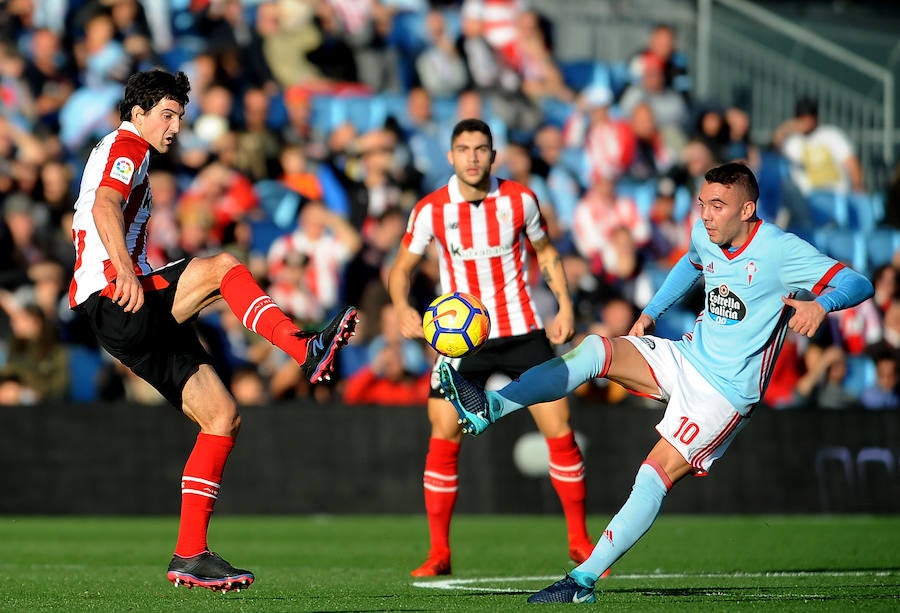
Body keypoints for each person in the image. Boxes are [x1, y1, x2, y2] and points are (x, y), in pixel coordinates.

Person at [437, 162, 874, 603]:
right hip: (687, 356)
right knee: (595, 350)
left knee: (652, 475)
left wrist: (822, 304)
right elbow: (690, 263)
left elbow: (859, 282)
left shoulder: (780, 250)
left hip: (723, 394)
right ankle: (491, 407)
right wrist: (650, 314)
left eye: (718, 205)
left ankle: (581, 582)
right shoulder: (708, 233)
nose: (705, 214)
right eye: (702, 203)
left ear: (748, 209)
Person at [68, 69, 359, 593]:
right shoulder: (128, 145)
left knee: (222, 417)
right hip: (117, 296)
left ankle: (190, 554)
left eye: (180, 115)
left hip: (116, 311)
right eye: (167, 113)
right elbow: (103, 206)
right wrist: (128, 271)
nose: (176, 126)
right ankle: (303, 348)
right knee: (225, 268)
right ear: (136, 112)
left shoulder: (128, 150)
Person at [388, 118, 594, 577]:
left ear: (493, 155)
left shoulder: (520, 200)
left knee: (558, 425)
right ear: (450, 156)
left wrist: (564, 306)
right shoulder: (431, 209)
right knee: (443, 431)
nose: (473, 157)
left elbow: (546, 253)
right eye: (464, 149)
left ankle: (579, 541)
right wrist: (402, 306)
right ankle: (439, 552)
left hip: (522, 330)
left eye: (481, 149)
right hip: (462, 343)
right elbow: (401, 268)